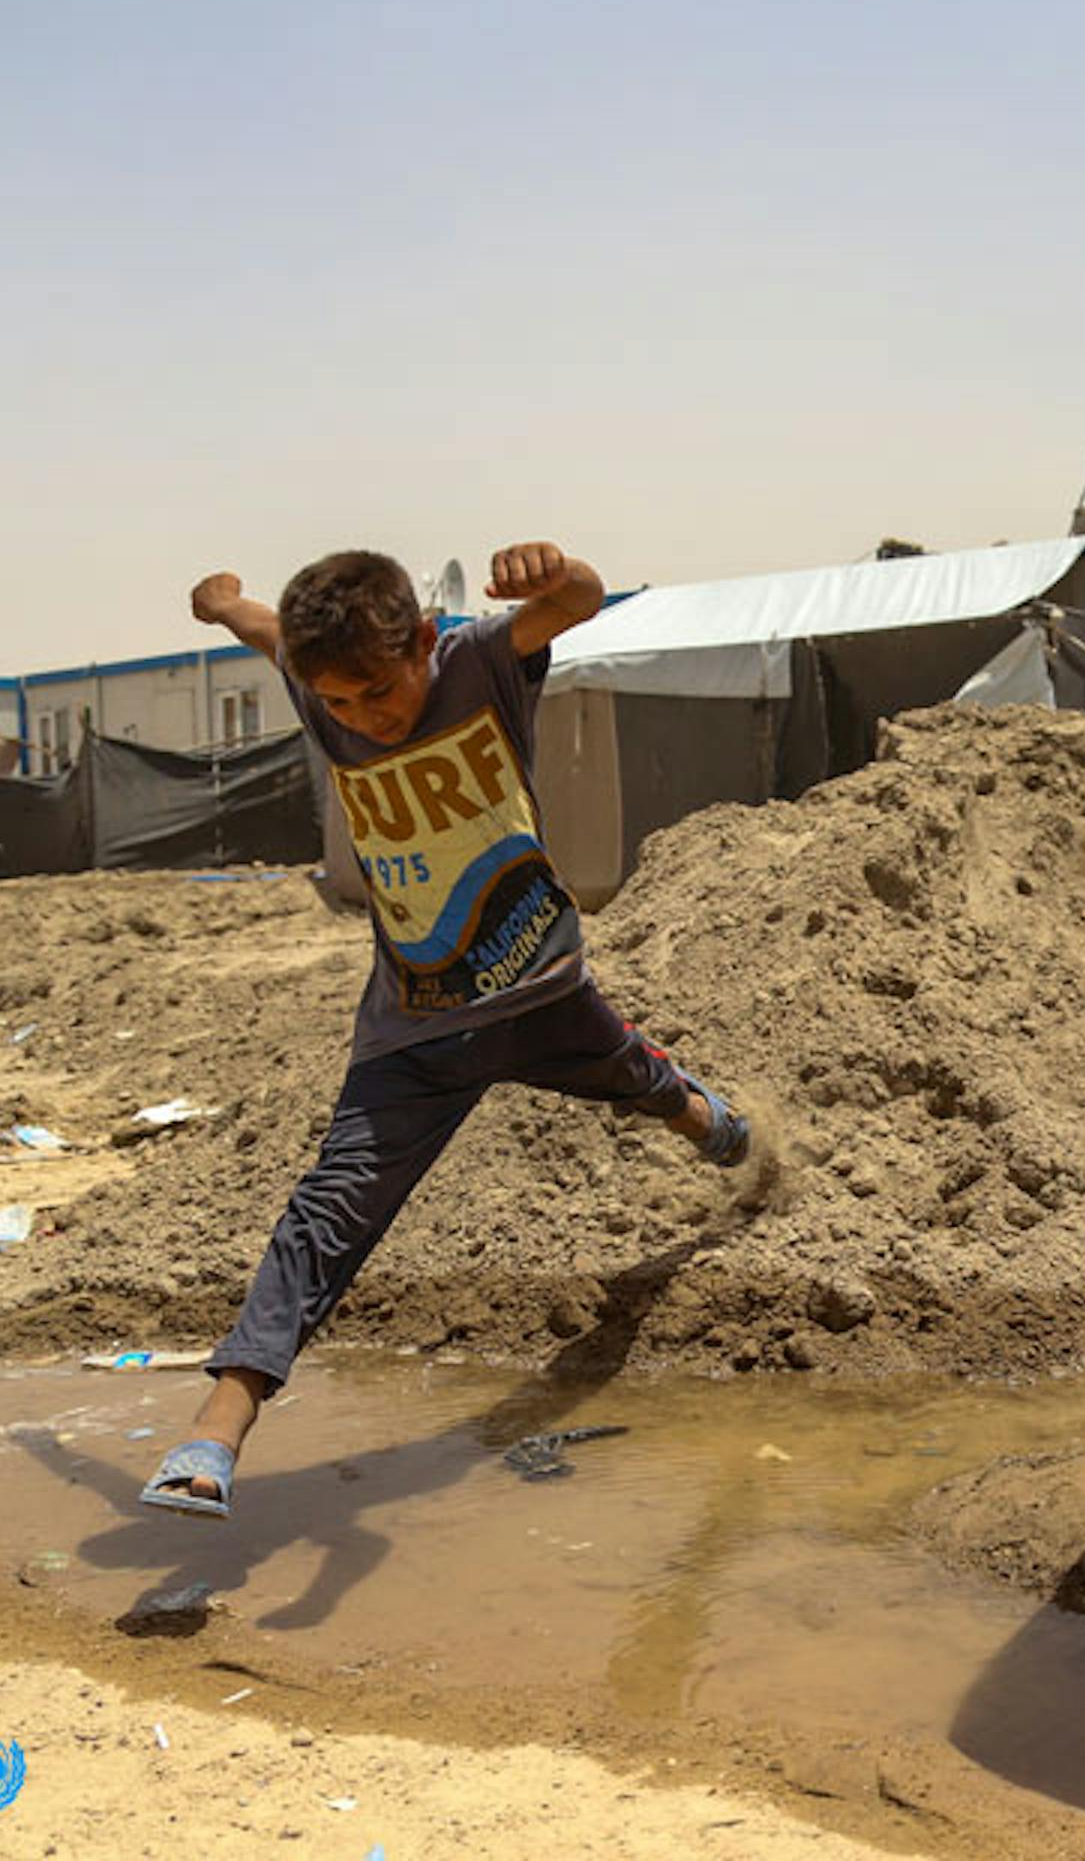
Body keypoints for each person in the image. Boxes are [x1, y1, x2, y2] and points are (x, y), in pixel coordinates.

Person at [139, 543, 752, 1520]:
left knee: (634, 1077)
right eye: (338, 705)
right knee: (327, 1216)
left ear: (423, 639)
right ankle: (212, 1437)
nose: (362, 720)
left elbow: (585, 600)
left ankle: (704, 1119)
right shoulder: (324, 692)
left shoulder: (479, 662)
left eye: (377, 694)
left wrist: (559, 572)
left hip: (543, 990)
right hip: (414, 1030)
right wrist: (223, 605)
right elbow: (266, 632)